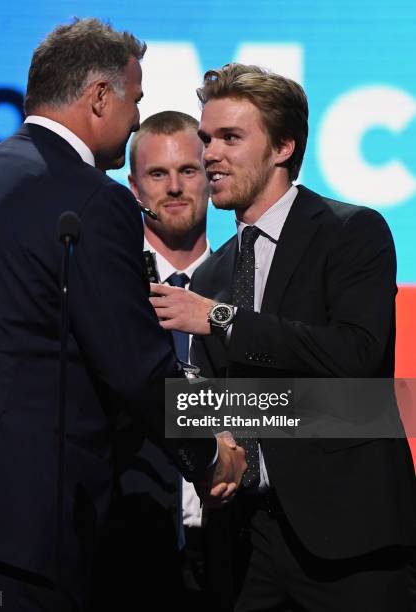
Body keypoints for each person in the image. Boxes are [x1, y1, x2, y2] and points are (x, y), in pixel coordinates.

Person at [0, 23, 246, 612]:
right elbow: (133, 366)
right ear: (100, 97)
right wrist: (209, 452)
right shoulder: (94, 199)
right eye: (136, 99)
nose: (135, 119)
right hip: (24, 538)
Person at [149, 63, 416, 611]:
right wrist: (209, 443)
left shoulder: (351, 232)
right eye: (207, 138)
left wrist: (223, 321)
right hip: (246, 544)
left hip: (348, 540)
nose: (210, 155)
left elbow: (356, 363)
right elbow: (220, 404)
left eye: (230, 138)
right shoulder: (211, 275)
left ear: (283, 146)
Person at [100, 110, 212, 612]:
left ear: (211, 175)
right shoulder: (104, 288)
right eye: (157, 174)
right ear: (133, 187)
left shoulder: (252, 286)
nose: (174, 188)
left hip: (237, 545)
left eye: (188, 171)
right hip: (128, 544)